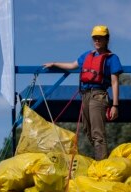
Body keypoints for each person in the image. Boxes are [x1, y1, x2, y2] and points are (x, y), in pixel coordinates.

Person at [43, 25, 123, 160]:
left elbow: (115, 82)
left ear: (106, 39)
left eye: (100, 38)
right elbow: (72, 65)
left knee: (98, 133)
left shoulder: (112, 58)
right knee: (87, 129)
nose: (97, 40)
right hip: (85, 95)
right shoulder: (87, 55)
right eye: (95, 38)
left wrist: (115, 105)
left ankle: (101, 165)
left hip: (98, 95)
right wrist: (55, 63)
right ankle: (101, 158)